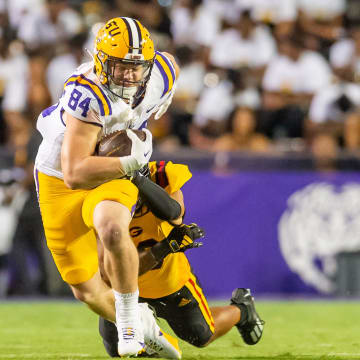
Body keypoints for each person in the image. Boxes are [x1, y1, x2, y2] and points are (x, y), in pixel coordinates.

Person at [34, 17, 180, 357]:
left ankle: (128, 320)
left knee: (112, 227)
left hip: (109, 174)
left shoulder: (159, 74)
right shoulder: (87, 93)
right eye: (120, 66)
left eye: (136, 66)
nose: (130, 75)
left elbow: (170, 63)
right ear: (101, 61)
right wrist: (132, 161)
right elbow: (75, 172)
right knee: (85, 290)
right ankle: (145, 324)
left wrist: (162, 101)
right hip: (61, 175)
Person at [98, 160, 265, 358]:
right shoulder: (97, 200)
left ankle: (242, 309)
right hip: (123, 287)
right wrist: (166, 247)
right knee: (116, 348)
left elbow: (175, 214)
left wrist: (139, 181)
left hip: (168, 281)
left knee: (201, 335)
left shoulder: (162, 176)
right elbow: (111, 274)